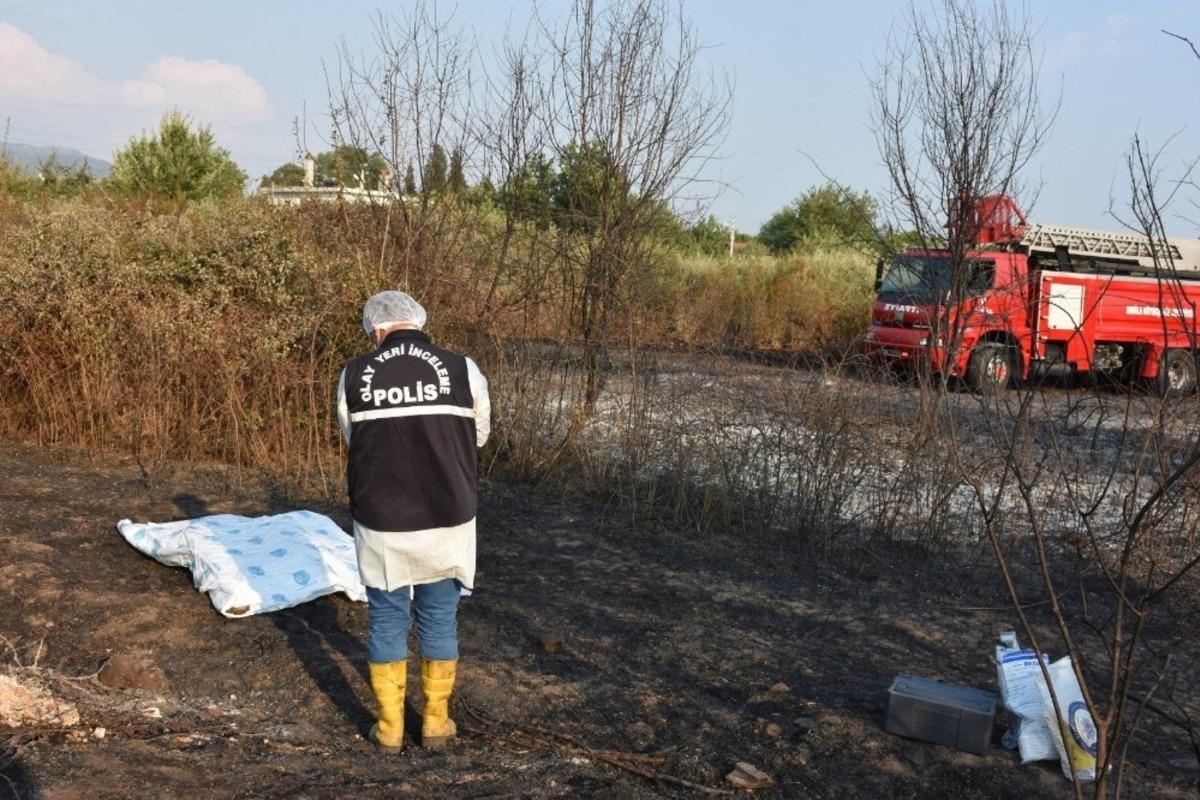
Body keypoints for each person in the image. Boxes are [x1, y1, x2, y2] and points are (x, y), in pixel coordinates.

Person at [336, 290, 490, 753]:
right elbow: (478, 434)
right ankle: (436, 724)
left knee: (386, 620)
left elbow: (353, 437)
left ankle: (388, 730)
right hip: (448, 516)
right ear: (416, 321)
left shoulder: (354, 374)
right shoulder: (464, 368)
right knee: (439, 618)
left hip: (382, 522)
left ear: (379, 329)